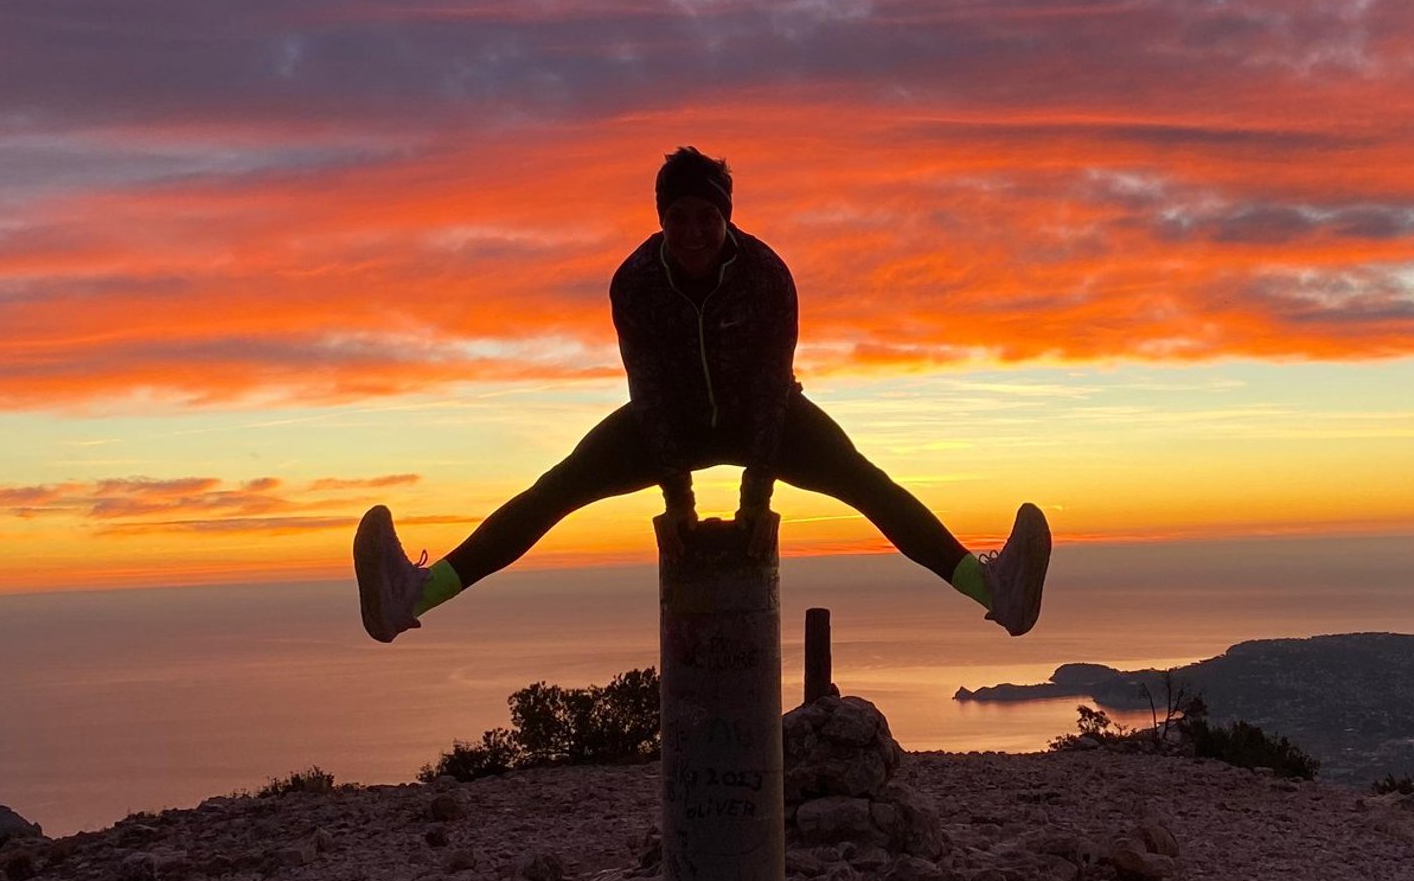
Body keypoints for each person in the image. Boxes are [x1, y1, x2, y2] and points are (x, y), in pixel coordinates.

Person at [352, 146, 1052, 643]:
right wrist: (678, 501)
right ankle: (413, 595)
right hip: (670, 424)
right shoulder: (635, 283)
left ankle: (995, 591)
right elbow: (647, 390)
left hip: (764, 419)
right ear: (661, 218)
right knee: (555, 489)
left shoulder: (768, 276)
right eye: (677, 217)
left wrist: (755, 500)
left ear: (727, 217)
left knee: (867, 483)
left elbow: (776, 388)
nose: (691, 231)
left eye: (704, 217)